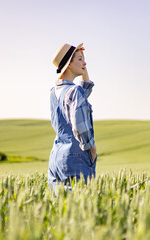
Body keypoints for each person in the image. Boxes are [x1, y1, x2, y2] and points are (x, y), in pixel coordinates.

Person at [48, 43, 97, 193]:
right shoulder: (75, 92)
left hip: (57, 157)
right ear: (69, 64)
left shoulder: (54, 91)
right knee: (81, 208)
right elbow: (80, 127)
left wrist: (81, 63)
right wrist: (91, 148)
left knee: (60, 208)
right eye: (80, 59)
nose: (85, 63)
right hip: (76, 157)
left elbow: (86, 88)